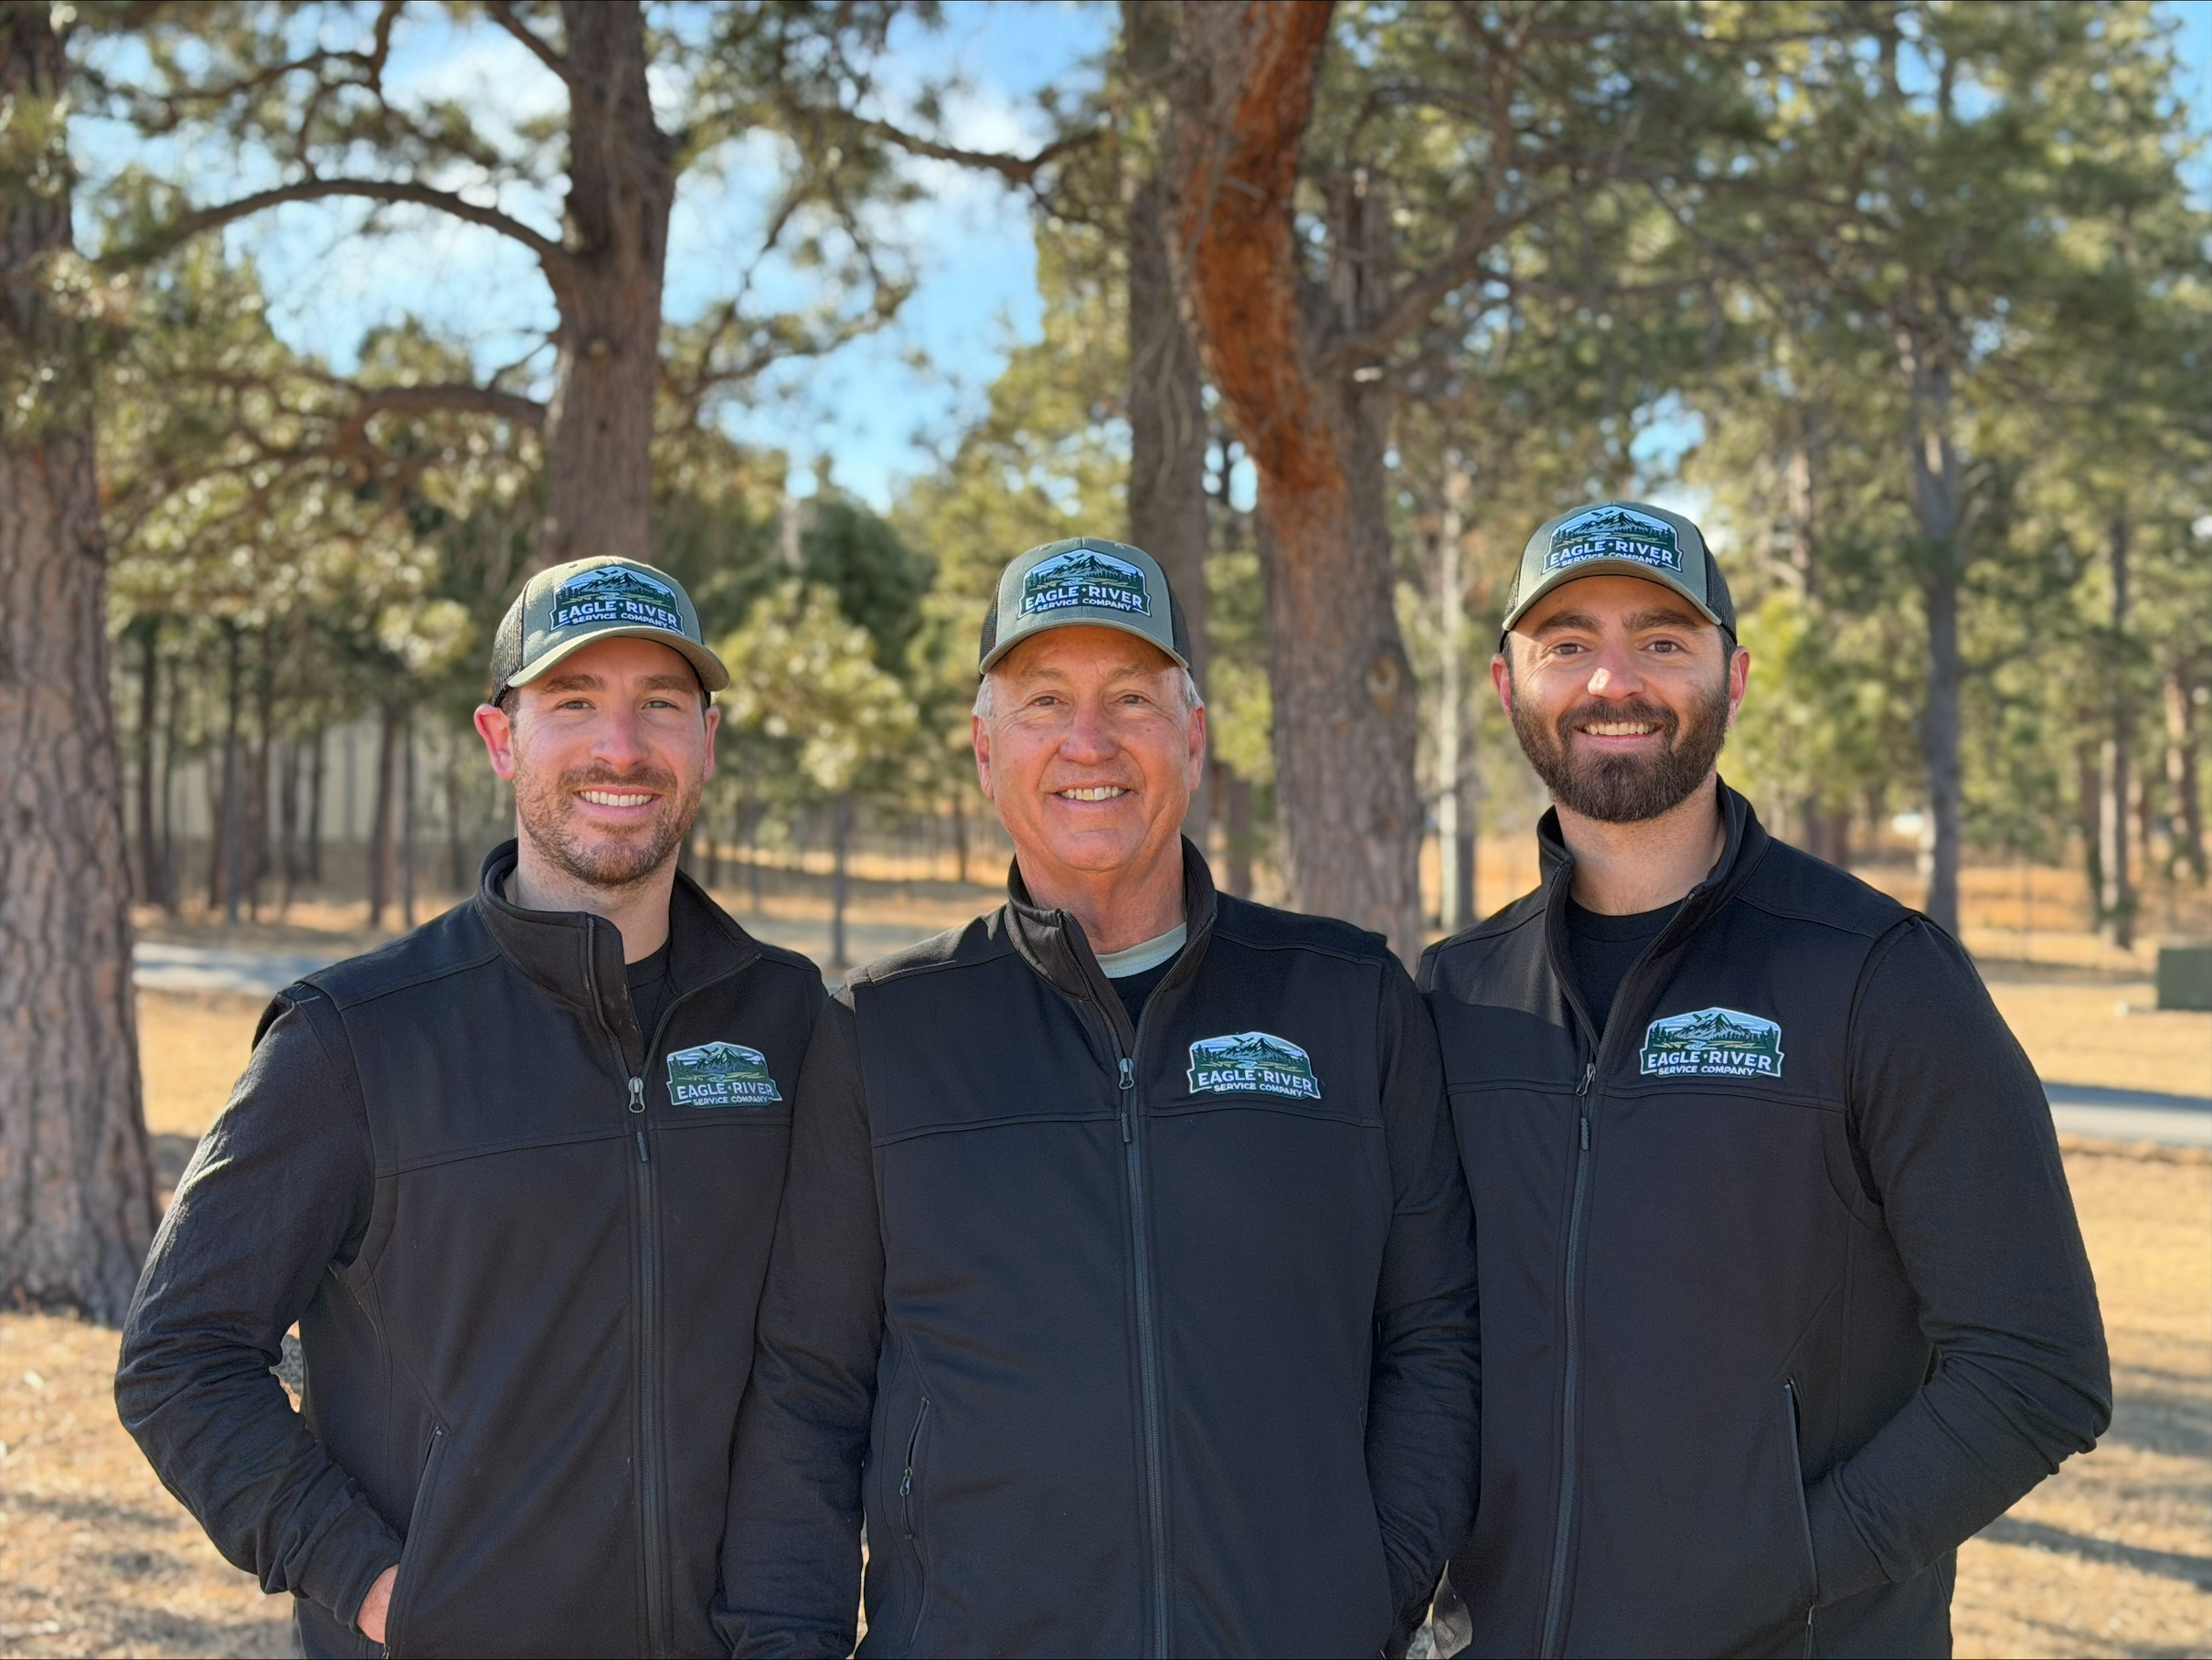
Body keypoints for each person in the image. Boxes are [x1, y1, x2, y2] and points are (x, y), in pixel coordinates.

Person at [718, 537, 1480, 1659]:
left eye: (1130, 697)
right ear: (986, 752)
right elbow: (807, 1388)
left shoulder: (1348, 999)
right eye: (1043, 701)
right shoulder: (882, 1029)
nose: (1089, 741)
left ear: (1193, 738)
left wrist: (1364, 1594)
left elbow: (1434, 1334)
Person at [1419, 501, 2111, 1658]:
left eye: (1662, 640)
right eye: (1567, 644)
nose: (1613, 680)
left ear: (1731, 678)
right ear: (1507, 686)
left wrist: (1787, 1567)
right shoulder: (1453, 997)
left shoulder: (1877, 975)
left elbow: (2035, 1366)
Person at [117, 557, 825, 1657]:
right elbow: (179, 1354)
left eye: (660, 705)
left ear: (707, 741)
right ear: (501, 739)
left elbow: (836, 1367)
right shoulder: (353, 1038)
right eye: (573, 702)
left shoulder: (790, 1020)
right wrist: (375, 1585)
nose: (621, 747)